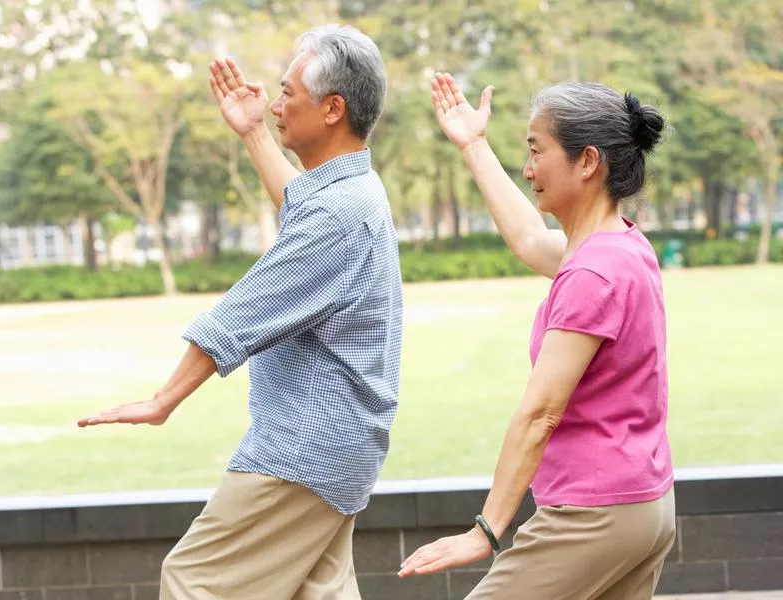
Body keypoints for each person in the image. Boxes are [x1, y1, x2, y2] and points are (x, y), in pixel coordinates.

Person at [78, 25, 402, 600]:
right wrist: (254, 133)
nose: (275, 105)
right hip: (341, 447)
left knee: (195, 580)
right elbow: (301, 204)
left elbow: (240, 316)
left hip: (302, 450)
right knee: (318, 591)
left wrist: (163, 400)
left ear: (333, 108)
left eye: (286, 94)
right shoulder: (351, 193)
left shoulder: (339, 214)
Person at [398, 74, 674, 600]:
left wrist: (486, 529)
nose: (527, 170)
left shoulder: (591, 273)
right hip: (644, 507)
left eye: (535, 150)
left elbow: (540, 413)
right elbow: (527, 238)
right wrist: (473, 146)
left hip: (594, 516)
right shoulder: (623, 249)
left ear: (588, 162)